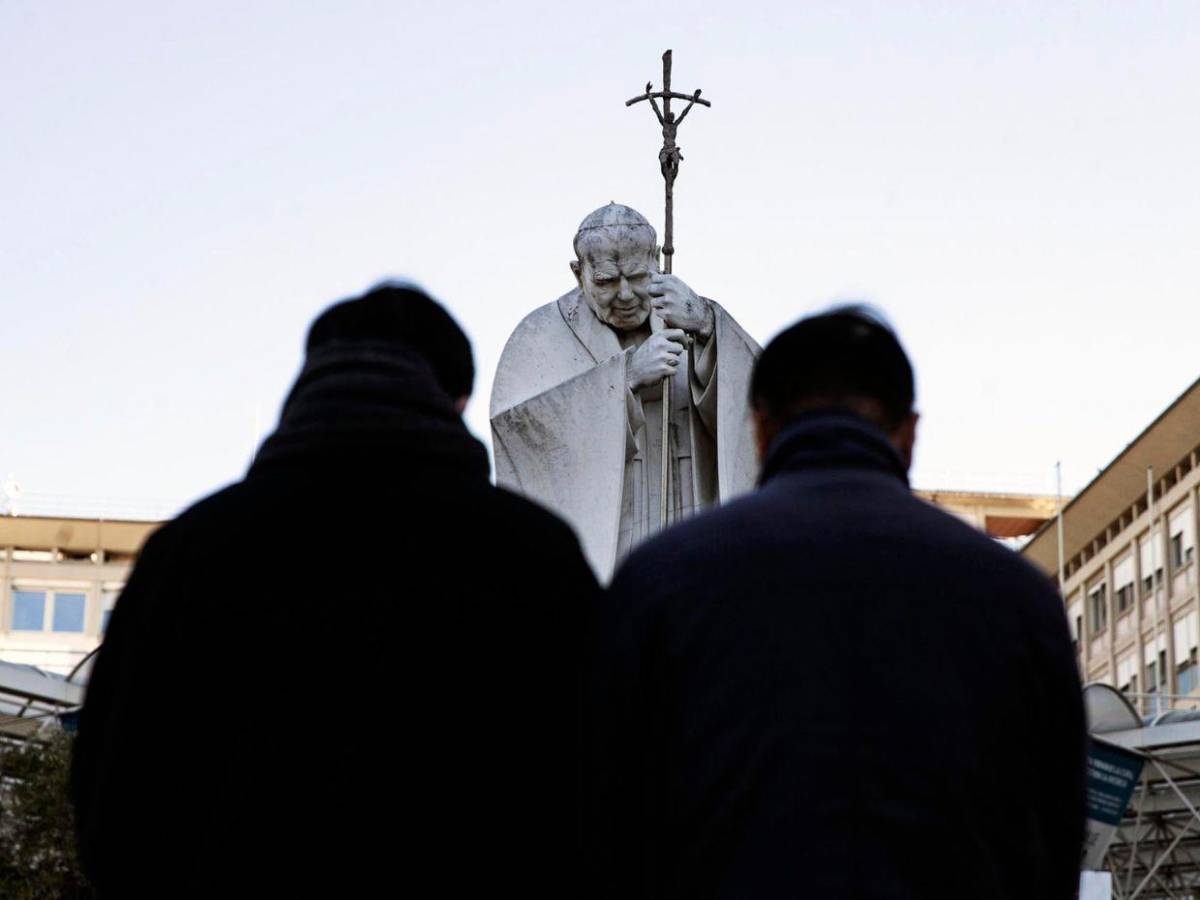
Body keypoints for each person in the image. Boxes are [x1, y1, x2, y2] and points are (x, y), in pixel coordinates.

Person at [71, 283, 600, 896]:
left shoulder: (191, 552)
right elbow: (602, 785)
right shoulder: (530, 554)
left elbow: (113, 800)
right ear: (458, 399)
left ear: (307, 384)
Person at [587, 307, 1085, 898]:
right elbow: (1054, 837)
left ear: (760, 430)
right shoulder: (1017, 597)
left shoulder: (660, 581)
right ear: (909, 434)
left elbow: (609, 827)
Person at [490, 203, 760, 580]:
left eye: (637, 277)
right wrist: (625, 377)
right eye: (605, 281)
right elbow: (518, 433)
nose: (626, 294)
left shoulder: (691, 317)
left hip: (692, 518)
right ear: (578, 272)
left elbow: (766, 408)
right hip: (607, 540)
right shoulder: (539, 336)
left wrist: (708, 327)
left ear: (656, 261)